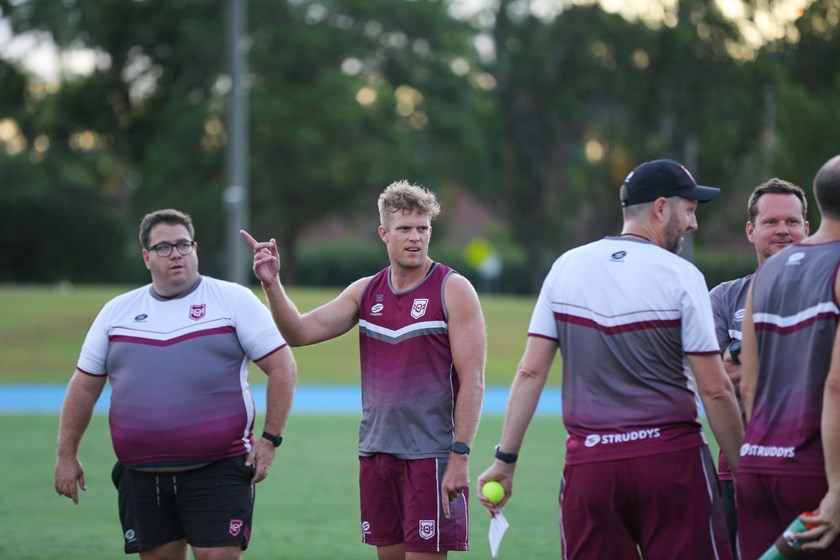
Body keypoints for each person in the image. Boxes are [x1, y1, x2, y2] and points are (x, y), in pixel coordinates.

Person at [477, 159, 744, 559]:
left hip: (591, 467)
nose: (693, 224)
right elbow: (716, 388)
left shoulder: (565, 267)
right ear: (660, 208)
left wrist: (505, 460)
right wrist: (745, 470)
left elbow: (531, 371)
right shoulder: (681, 274)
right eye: (689, 210)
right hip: (671, 465)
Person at [241, 180, 486, 560]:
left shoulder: (453, 289)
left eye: (423, 228)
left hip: (431, 457)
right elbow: (299, 332)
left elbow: (473, 380)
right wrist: (271, 284)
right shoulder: (365, 291)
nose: (415, 238)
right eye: (405, 228)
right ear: (384, 233)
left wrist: (461, 456)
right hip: (376, 454)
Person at [54, 209, 297, 560]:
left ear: (195, 248)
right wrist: (66, 455)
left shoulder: (232, 299)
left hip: (219, 469)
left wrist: (271, 439)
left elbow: (282, 367)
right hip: (141, 475)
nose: (176, 254)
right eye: (164, 247)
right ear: (146, 256)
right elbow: (84, 386)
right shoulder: (116, 312)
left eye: (183, 245)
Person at [739, 155, 840, 557]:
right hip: (817, 472)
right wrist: (837, 485)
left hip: (758, 464)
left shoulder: (767, 272)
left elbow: (749, 384)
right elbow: (836, 386)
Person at [709, 178, 810, 550]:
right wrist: (802, 349)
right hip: (739, 464)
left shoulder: (828, 289)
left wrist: (741, 351)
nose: (783, 230)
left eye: (792, 221)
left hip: (813, 463)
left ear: (807, 229)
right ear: (751, 231)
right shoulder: (722, 298)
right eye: (771, 222)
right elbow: (716, 379)